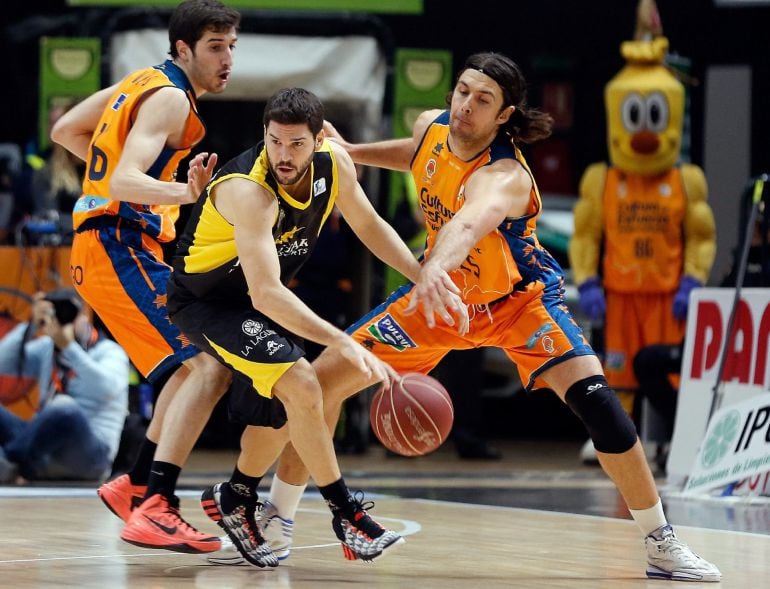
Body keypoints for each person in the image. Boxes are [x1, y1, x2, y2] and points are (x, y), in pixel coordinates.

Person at [217, 52, 721, 582]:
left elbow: (465, 224)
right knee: (318, 386)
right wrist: (352, 151)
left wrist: (431, 269)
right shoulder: (430, 127)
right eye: (462, 91)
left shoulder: (504, 175)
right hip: (441, 303)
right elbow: (416, 154)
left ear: (504, 115)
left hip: (517, 303)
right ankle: (277, 522)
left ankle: (661, 544)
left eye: (483, 101)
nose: (465, 106)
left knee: (599, 403)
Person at [165, 86, 466, 566]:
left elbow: (369, 226)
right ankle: (346, 513)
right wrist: (344, 341)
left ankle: (238, 496)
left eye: (296, 144)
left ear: (319, 139)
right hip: (209, 302)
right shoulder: (250, 190)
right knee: (305, 382)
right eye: (274, 142)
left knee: (294, 404)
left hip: (256, 301)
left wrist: (423, 276)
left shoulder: (333, 163)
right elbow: (265, 292)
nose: (283, 155)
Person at [50, 0, 240, 554]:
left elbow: (67, 129)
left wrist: (113, 173)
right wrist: (182, 192)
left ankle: (135, 484)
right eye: (214, 47)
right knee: (207, 365)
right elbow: (126, 181)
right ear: (183, 49)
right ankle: (156, 507)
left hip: (112, 244)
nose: (227, 58)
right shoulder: (171, 97)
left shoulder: (140, 82)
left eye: (232, 46)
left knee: (191, 370)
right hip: (118, 244)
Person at [568, 8, 716, 465]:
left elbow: (701, 235)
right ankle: (615, 442)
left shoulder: (686, 179)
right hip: (619, 294)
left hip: (667, 293)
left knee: (667, 376)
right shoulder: (603, 179)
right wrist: (587, 280)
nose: (645, 132)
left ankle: (675, 443)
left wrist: (694, 280)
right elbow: (586, 233)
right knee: (615, 373)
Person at [0, 289, 128, 483]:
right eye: (56, 315)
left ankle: (7, 460)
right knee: (58, 407)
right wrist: (31, 324)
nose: (62, 320)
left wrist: (69, 347)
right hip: (42, 447)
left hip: (90, 455)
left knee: (64, 406)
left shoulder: (109, 351)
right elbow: (3, 363)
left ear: (84, 315)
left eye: (69, 314)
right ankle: (12, 465)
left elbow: (106, 388)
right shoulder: (46, 347)